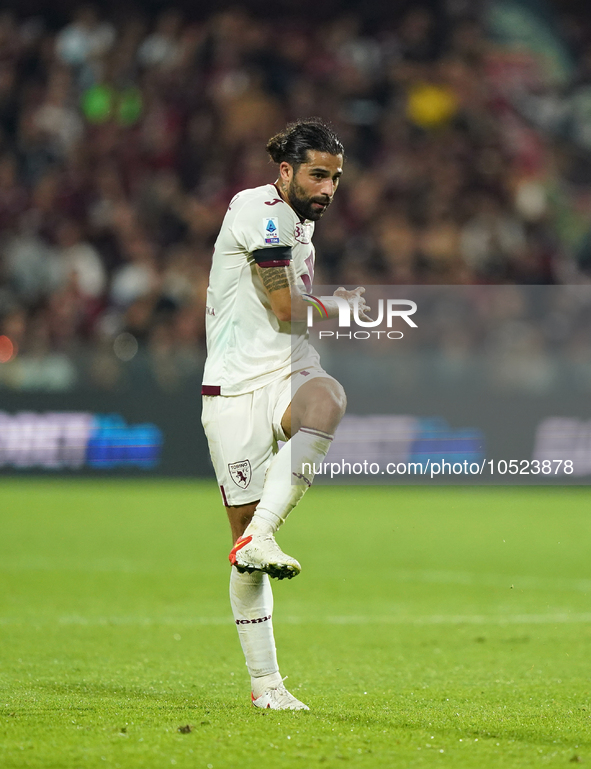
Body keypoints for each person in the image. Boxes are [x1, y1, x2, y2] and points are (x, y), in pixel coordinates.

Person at [201, 118, 369, 710]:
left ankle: (265, 534)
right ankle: (266, 686)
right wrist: (339, 306)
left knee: (329, 399)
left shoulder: (301, 226)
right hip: (234, 390)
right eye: (318, 175)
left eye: (336, 179)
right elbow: (281, 308)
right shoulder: (259, 209)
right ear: (286, 171)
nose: (328, 188)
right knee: (242, 550)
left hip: (288, 370)